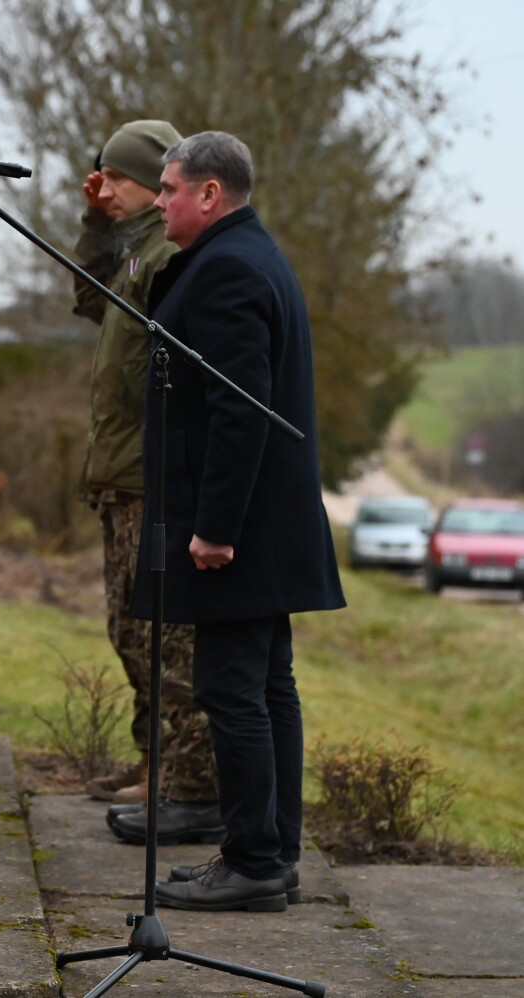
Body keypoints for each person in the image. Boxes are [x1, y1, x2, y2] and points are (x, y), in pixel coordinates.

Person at [129, 133, 346, 912]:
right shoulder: (253, 253)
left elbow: (239, 409)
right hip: (270, 520)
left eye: (169, 188)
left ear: (210, 193)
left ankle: (255, 860)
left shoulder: (226, 268)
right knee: (267, 686)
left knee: (232, 689)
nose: (159, 201)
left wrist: (215, 526)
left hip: (240, 528)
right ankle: (270, 853)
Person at [70, 120, 223, 845]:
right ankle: (156, 764)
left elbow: (154, 378)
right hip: (119, 474)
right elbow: (89, 298)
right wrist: (93, 221)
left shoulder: (168, 258)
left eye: (119, 180)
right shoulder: (133, 255)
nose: (109, 189)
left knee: (161, 638)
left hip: (148, 477)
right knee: (129, 632)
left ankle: (194, 785)